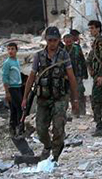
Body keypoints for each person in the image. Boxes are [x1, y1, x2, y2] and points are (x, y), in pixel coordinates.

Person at [22, 27, 79, 161]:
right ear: (46, 40)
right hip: (43, 98)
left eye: (54, 40)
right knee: (41, 129)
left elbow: (71, 77)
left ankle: (55, 155)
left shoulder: (64, 55)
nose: (52, 43)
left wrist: (75, 100)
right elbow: (31, 77)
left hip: (60, 98)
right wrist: (25, 97)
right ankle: (47, 146)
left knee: (58, 128)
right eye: (49, 40)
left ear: (59, 40)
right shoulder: (39, 56)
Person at [87, 20, 102, 136]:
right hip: (98, 75)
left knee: (96, 101)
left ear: (98, 28)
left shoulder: (101, 41)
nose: (91, 31)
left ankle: (101, 126)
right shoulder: (97, 41)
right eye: (90, 28)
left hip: (101, 76)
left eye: (92, 28)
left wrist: (101, 75)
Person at [63, 34, 88, 116]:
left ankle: (82, 111)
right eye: (67, 42)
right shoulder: (62, 51)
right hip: (67, 76)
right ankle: (74, 111)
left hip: (77, 74)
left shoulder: (77, 48)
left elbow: (82, 60)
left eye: (70, 41)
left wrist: (85, 74)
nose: (68, 43)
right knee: (70, 94)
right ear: (64, 41)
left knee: (79, 92)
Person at [2, 42, 23, 137]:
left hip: (18, 87)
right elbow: (5, 77)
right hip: (12, 88)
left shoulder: (16, 61)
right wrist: (7, 92)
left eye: (12, 49)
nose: (10, 51)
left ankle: (14, 129)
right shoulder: (7, 63)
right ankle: (17, 128)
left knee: (15, 109)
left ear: (16, 50)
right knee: (18, 108)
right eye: (9, 49)